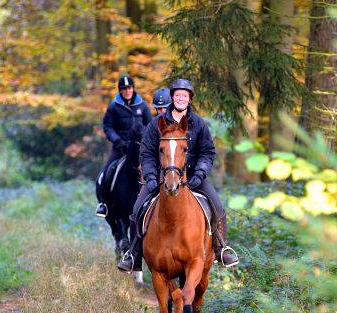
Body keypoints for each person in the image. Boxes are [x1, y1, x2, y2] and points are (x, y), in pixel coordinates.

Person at [117, 78, 239, 272]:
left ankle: (222, 249)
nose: (181, 98)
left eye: (185, 95)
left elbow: (207, 152)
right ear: (172, 97)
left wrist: (199, 174)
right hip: (161, 177)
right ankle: (134, 254)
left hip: (193, 177)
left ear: (189, 99)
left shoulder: (198, 123)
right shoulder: (157, 123)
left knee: (216, 205)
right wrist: (149, 177)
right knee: (138, 207)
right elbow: (147, 153)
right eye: (177, 95)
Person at [95, 75, 153, 217]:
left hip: (140, 149)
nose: (127, 91)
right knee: (105, 173)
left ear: (133, 89)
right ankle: (104, 203)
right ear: (120, 91)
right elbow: (108, 127)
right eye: (124, 89)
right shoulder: (113, 107)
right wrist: (118, 140)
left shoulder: (143, 106)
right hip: (120, 148)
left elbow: (150, 126)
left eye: (129, 88)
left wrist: (143, 141)